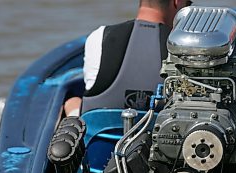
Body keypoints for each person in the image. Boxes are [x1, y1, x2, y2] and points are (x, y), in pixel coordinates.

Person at [64, 0, 192, 116]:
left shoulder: (100, 37)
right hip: (156, 139)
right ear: (177, 2)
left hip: (98, 139)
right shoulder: (185, 47)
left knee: (71, 102)